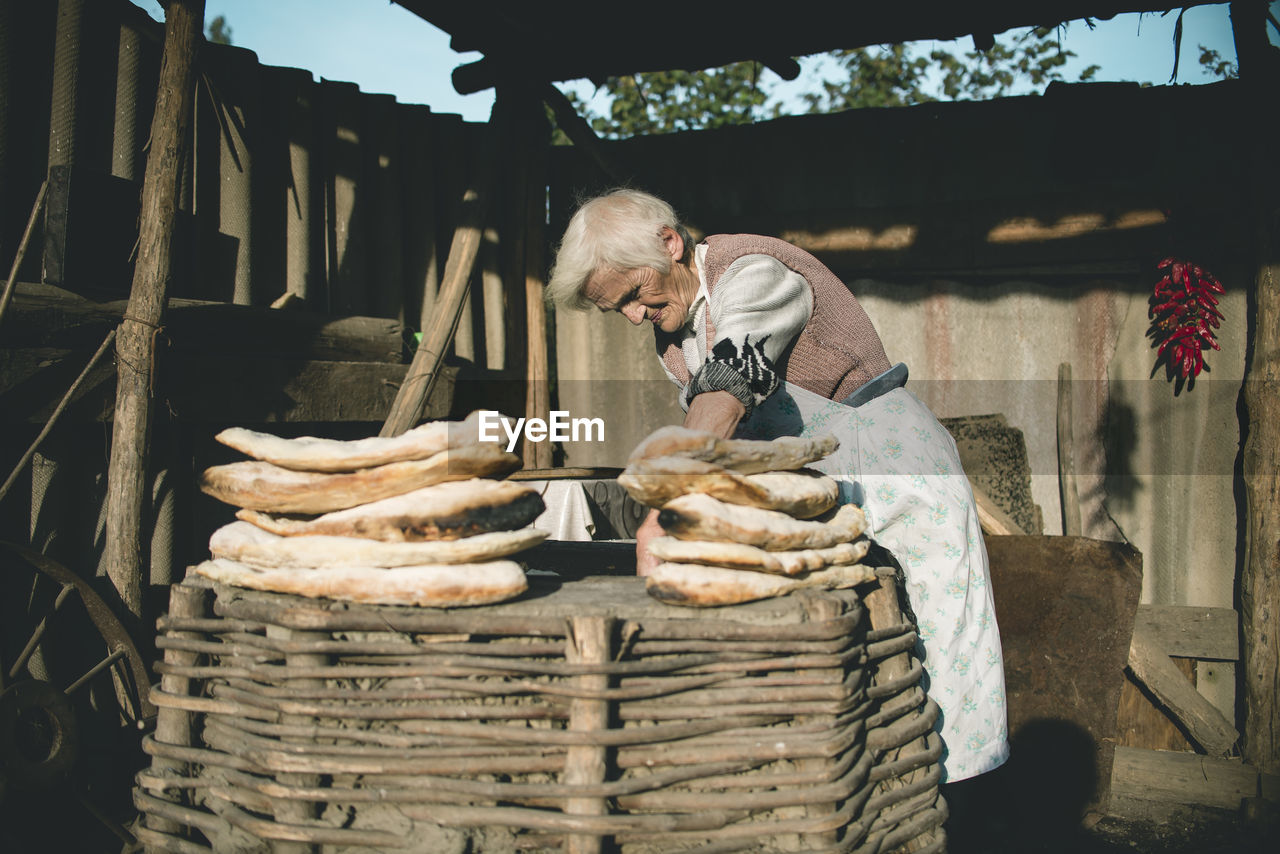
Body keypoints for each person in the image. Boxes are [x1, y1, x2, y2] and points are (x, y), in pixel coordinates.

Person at [546, 188, 1008, 784]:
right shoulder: (675, 332)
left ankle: (969, 814)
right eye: (618, 310)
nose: (634, 316)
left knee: (943, 652)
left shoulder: (756, 274)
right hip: (817, 488)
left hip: (895, 468)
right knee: (853, 648)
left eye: (635, 295)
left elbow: (732, 379)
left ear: (670, 244)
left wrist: (676, 494)